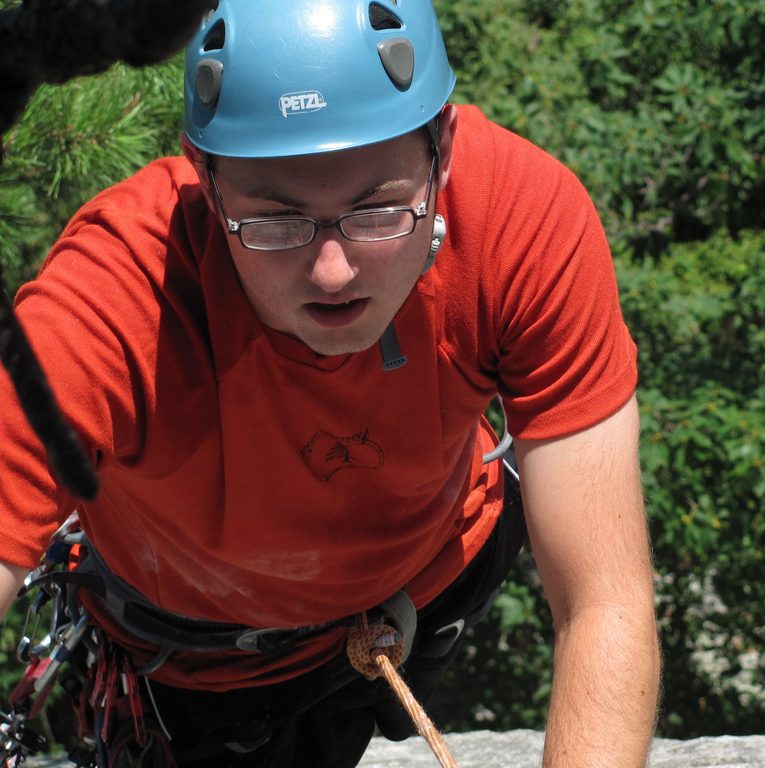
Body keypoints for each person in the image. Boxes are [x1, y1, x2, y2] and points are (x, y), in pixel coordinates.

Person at [0, 0, 660, 765]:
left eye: (377, 212)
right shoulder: (117, 294)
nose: (332, 271)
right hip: (197, 668)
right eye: (277, 222)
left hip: (430, 578)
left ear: (442, 151)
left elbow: (605, 602)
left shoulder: (520, 221)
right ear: (205, 182)